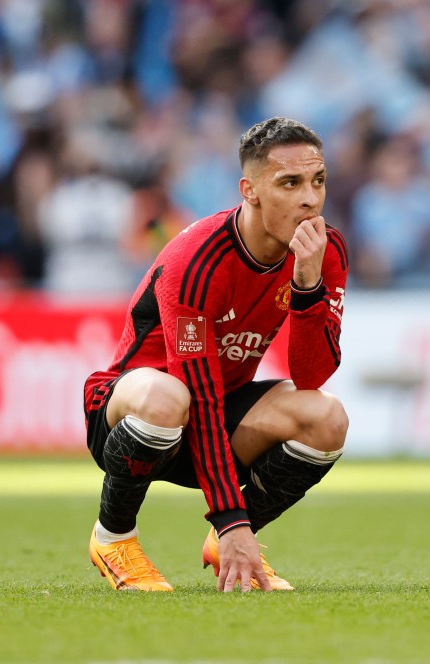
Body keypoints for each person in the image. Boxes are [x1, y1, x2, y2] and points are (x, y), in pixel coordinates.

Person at [83, 117, 349, 593]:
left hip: (220, 418)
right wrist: (232, 520)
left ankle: (224, 544)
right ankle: (114, 537)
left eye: (318, 180)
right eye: (290, 183)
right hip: (133, 415)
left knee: (327, 418)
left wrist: (308, 286)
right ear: (250, 190)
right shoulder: (196, 261)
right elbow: (198, 393)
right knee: (170, 397)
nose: (310, 198)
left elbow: (311, 377)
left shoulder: (322, 252)